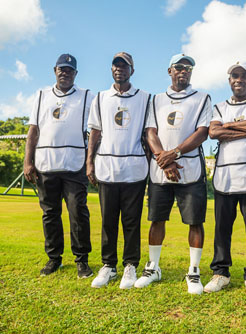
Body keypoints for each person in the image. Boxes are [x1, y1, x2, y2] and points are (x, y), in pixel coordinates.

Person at [134, 53, 211, 295]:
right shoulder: (156, 99)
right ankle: (153, 267)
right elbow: (150, 132)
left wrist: (175, 153)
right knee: (156, 220)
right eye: (179, 67)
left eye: (188, 68)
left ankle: (194, 270)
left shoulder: (202, 98)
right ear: (169, 70)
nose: (183, 71)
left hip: (189, 170)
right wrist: (164, 159)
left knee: (195, 221)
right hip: (161, 171)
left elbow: (202, 132)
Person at [204, 61, 246, 299]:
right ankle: (220, 273)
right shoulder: (219, 107)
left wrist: (229, 126)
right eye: (234, 76)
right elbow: (214, 132)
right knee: (222, 229)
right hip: (226, 176)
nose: (239, 80)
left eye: (244, 76)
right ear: (229, 80)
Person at [24, 54, 94, 278]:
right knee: (50, 214)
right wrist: (28, 161)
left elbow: (94, 131)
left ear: (75, 74)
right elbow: (33, 130)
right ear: (55, 70)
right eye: (61, 69)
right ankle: (54, 259)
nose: (65, 73)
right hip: (46, 164)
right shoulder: (42, 95)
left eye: (70, 70)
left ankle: (81, 260)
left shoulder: (87, 96)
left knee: (78, 213)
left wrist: (91, 160)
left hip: (74, 165)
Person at [87, 52, 151, 289]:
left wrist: (147, 161)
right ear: (111, 70)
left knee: (132, 221)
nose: (120, 69)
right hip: (107, 167)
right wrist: (89, 163)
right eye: (116, 66)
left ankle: (130, 265)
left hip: (134, 169)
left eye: (124, 66)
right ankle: (108, 266)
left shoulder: (145, 98)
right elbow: (95, 132)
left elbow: (148, 134)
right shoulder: (101, 97)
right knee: (108, 220)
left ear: (132, 70)